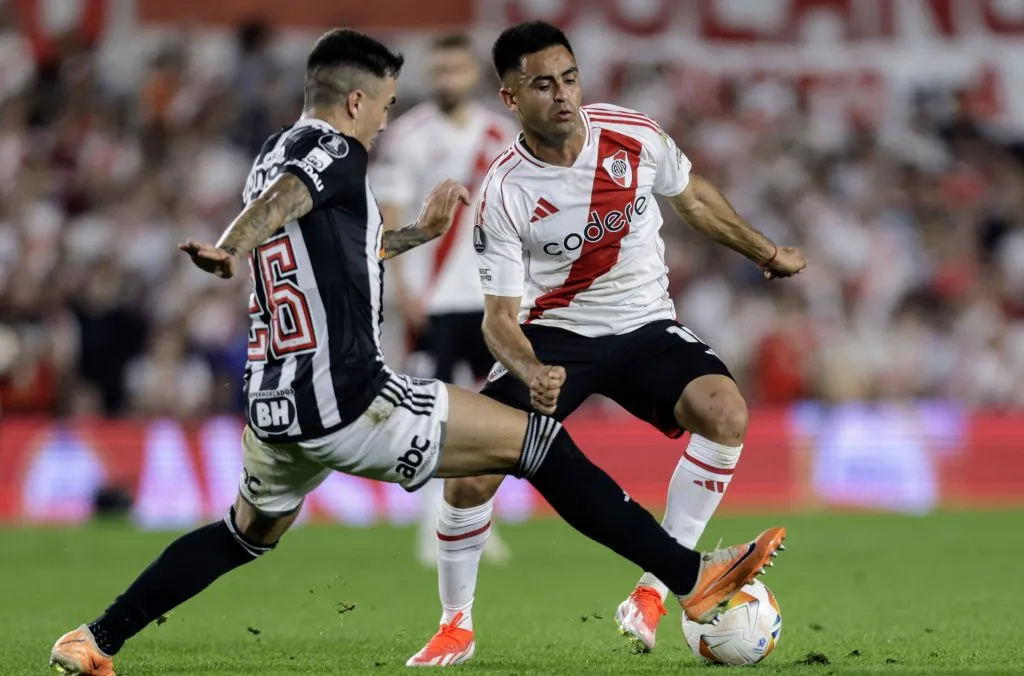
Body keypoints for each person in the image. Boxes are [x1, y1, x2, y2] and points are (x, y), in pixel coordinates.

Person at [48, 28, 785, 676]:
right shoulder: (332, 151)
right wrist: (229, 246)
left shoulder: (273, 151)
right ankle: (692, 579)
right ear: (356, 103)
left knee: (246, 534)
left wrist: (415, 237)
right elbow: (285, 204)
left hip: (276, 403)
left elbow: (333, 241)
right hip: (350, 399)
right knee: (536, 443)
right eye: (389, 103)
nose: (390, 116)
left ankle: (95, 636)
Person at [407, 21, 806, 667]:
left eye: (569, 78)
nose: (562, 95)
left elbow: (693, 197)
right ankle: (457, 623)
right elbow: (499, 320)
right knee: (474, 473)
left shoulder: (633, 133)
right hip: (558, 333)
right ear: (511, 98)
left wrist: (765, 250)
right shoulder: (504, 191)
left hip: (647, 322)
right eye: (543, 84)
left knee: (726, 412)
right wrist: (532, 368)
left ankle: (655, 589)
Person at [372, 33, 516, 568]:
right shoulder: (408, 136)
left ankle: (480, 521)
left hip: (490, 296)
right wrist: (404, 285)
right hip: (431, 298)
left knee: (496, 411)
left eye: (455, 69)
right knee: (435, 412)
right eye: (439, 70)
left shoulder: (501, 134)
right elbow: (390, 215)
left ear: (474, 74)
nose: (446, 80)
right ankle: (430, 521)